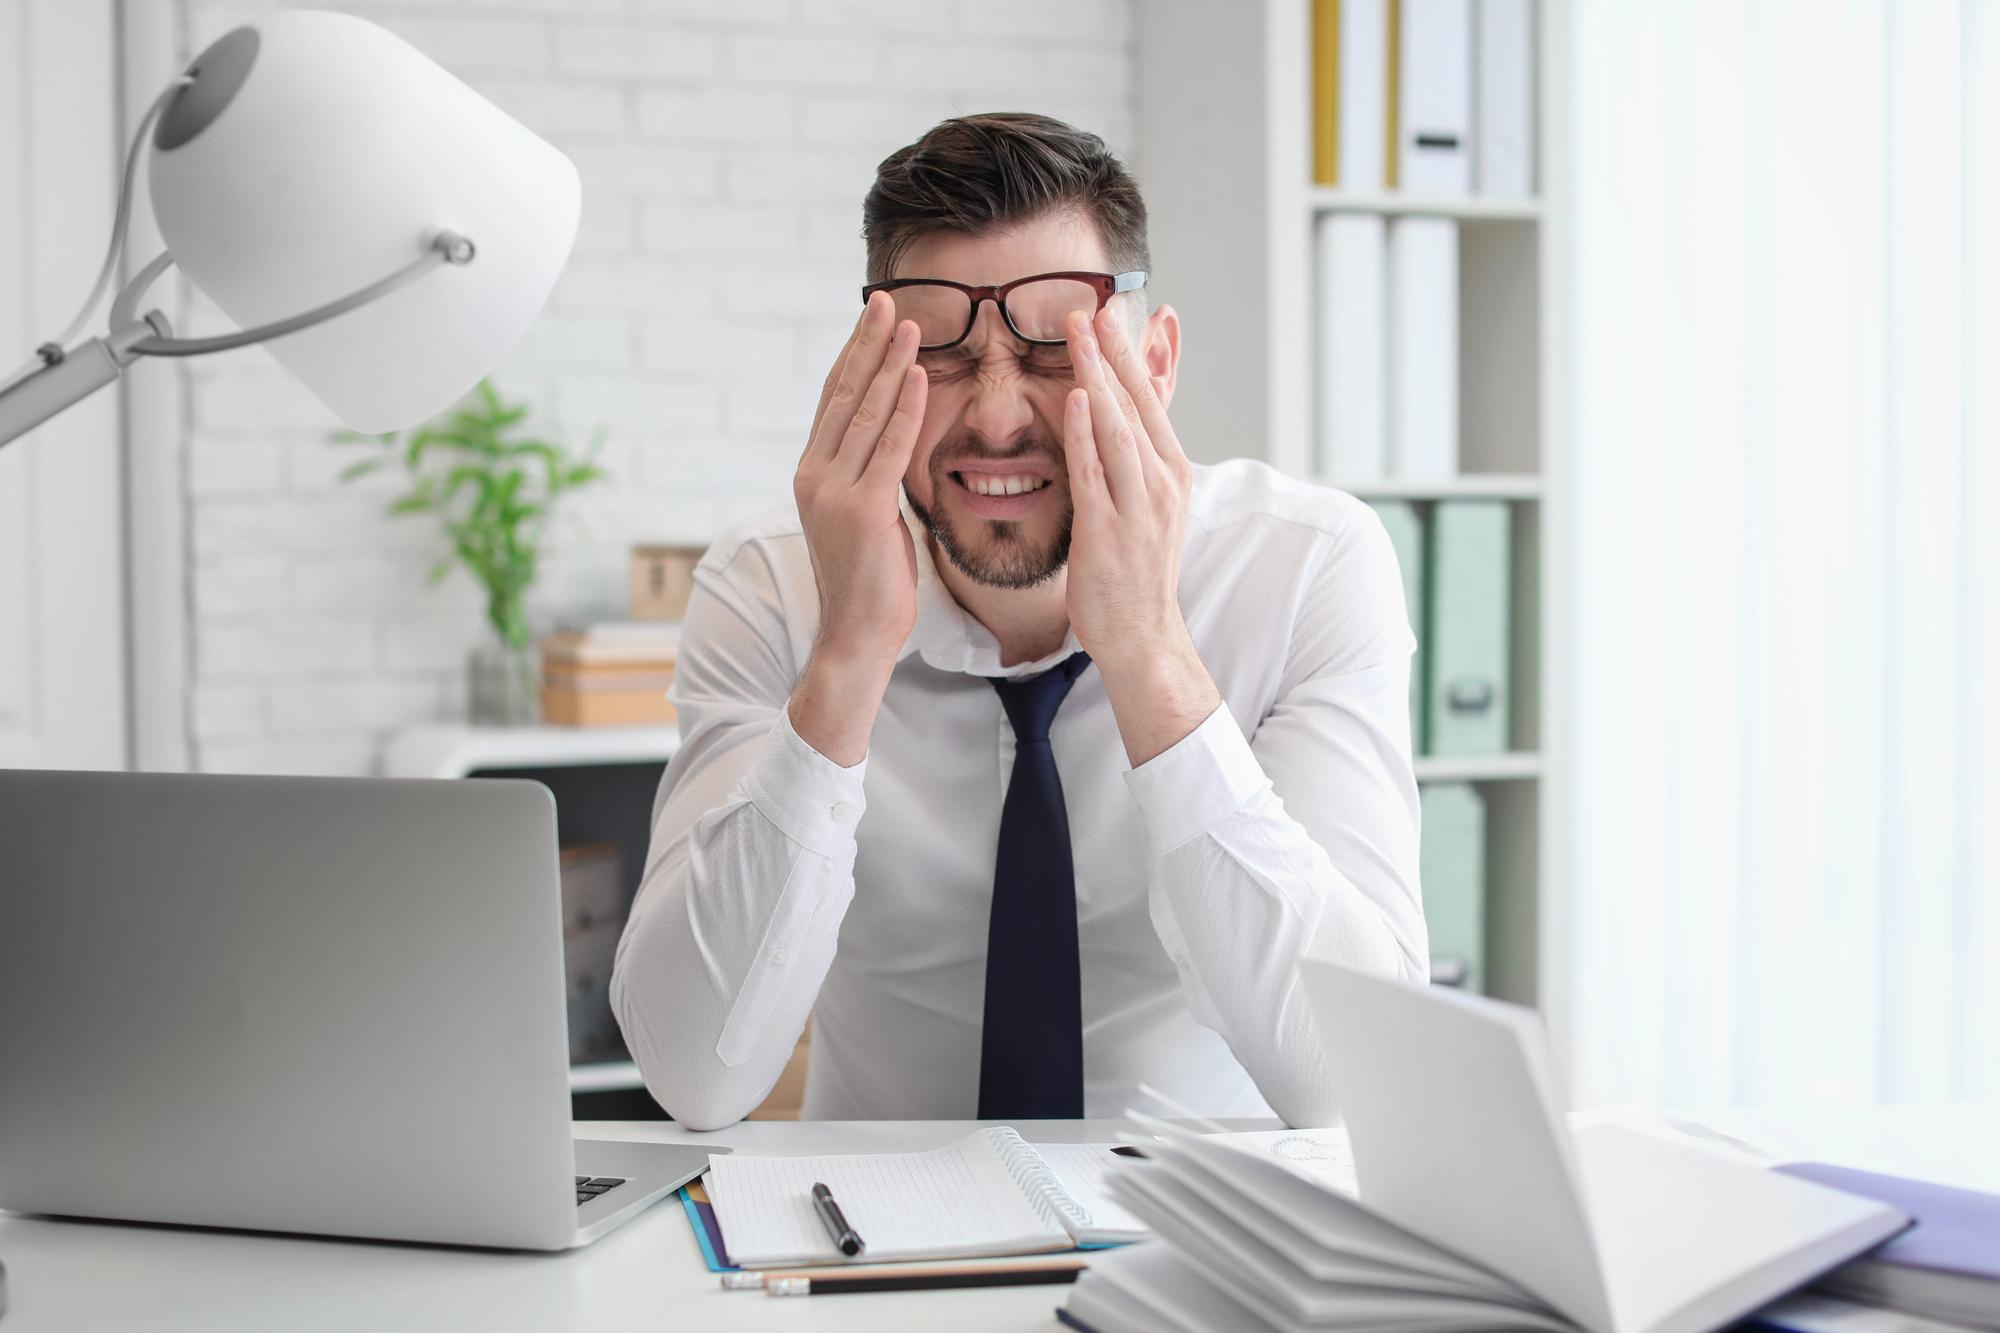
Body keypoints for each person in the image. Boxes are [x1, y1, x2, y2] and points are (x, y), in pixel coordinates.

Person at [612, 113, 1426, 1132]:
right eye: (941, 351)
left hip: (1202, 1234)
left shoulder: (1304, 566)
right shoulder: (770, 581)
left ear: (1155, 363)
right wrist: (848, 656)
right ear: (868, 373)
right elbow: (695, 1075)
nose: (996, 416)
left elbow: (1353, 1077)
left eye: (1053, 343)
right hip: (871, 1233)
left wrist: (1148, 653)